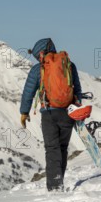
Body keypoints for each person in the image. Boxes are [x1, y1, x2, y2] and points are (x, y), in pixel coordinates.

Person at [19, 38, 83, 191]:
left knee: (52, 149)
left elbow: (28, 92)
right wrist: (77, 106)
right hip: (67, 113)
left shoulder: (38, 69)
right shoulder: (68, 64)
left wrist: (24, 112)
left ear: (40, 54)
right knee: (62, 148)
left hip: (49, 114)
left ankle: (55, 187)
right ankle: (59, 180)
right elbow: (77, 89)